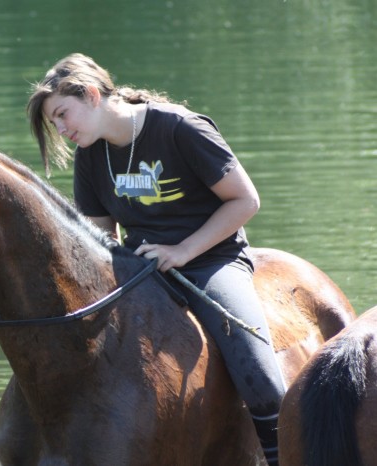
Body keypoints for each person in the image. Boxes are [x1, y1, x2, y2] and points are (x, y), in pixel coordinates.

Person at [27, 53, 285, 466]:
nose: (61, 129)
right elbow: (100, 238)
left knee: (263, 380)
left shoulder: (180, 128)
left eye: (62, 114)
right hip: (141, 269)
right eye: (54, 123)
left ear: (92, 94)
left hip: (211, 262)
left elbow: (245, 200)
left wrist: (181, 251)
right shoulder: (91, 154)